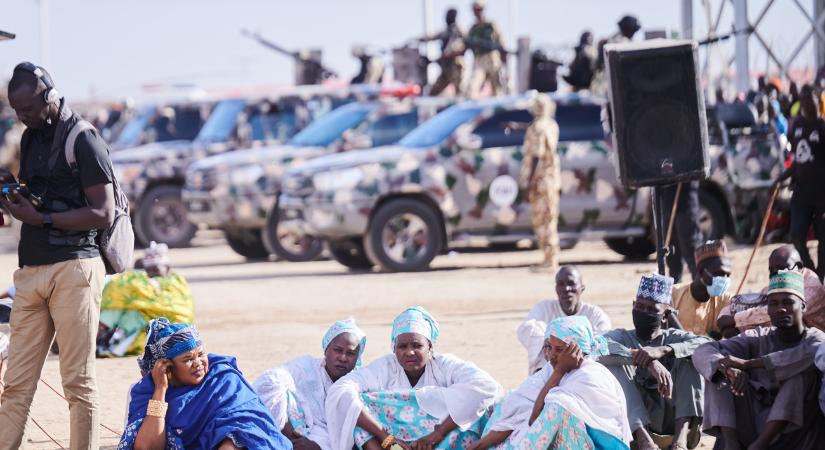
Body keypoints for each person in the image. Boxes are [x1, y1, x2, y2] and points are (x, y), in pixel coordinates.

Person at [0, 62, 115, 450]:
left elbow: (103, 212)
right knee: (15, 384)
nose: (23, 116)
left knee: (78, 383)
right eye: (17, 110)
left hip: (74, 267)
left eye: (29, 108)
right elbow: (40, 194)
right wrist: (12, 195)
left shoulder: (84, 138)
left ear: (49, 96)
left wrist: (42, 218)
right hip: (31, 270)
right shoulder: (30, 137)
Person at [325, 306, 502, 450]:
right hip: (393, 444)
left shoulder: (444, 365)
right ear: (394, 349)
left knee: (480, 410)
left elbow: (486, 386)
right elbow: (342, 389)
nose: (409, 352)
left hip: (436, 441)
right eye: (402, 346)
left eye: (417, 345)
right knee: (357, 407)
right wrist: (386, 438)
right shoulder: (385, 367)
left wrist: (438, 433)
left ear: (430, 347)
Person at [694, 270, 825, 450]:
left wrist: (747, 364)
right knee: (717, 371)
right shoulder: (758, 336)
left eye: (788, 302)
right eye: (774, 304)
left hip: (796, 430)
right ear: (768, 310)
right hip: (753, 421)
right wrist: (728, 369)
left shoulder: (817, 338)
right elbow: (703, 351)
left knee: (799, 378)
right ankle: (730, 443)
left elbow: (796, 357)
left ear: (803, 306)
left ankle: (760, 445)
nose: (781, 309)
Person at [118, 318, 291, 449]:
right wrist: (161, 390)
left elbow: (248, 424)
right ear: (168, 367)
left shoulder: (223, 378)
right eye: (187, 359)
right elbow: (147, 447)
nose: (198, 363)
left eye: (201, 354)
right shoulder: (148, 391)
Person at [471, 316, 631, 450]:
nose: (551, 355)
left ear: (577, 351)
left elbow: (536, 419)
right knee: (506, 402)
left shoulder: (589, 376)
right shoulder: (550, 369)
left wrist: (558, 372)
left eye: (559, 350)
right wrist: (480, 445)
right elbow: (519, 404)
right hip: (556, 440)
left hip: (594, 445)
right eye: (550, 347)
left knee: (557, 407)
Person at [600, 273, 710, 450]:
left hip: (672, 424)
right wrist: (646, 361)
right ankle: (645, 441)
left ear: (665, 315)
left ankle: (680, 442)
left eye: (652, 309)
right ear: (633, 306)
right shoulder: (622, 337)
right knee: (616, 366)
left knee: (688, 357)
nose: (644, 312)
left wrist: (664, 350)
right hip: (633, 433)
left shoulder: (672, 337)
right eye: (640, 306)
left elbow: (707, 345)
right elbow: (595, 346)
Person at [253, 319, 367, 449]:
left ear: (357, 358)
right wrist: (290, 434)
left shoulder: (357, 384)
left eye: (350, 353)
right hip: (293, 431)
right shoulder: (306, 367)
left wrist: (318, 446)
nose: (342, 358)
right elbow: (270, 379)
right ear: (326, 350)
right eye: (337, 350)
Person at [97, 241, 194, 357]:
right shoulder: (143, 282)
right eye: (149, 270)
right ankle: (100, 338)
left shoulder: (176, 283)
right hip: (151, 326)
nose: (151, 273)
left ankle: (97, 338)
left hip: (167, 332)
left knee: (127, 313)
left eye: (155, 269)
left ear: (167, 268)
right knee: (123, 309)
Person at [517, 265, 611, 374]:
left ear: (582, 288)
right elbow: (525, 329)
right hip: (547, 370)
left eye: (571, 283)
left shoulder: (594, 314)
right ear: (556, 288)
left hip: (583, 371)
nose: (566, 289)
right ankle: (541, 375)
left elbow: (604, 338)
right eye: (561, 284)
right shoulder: (544, 308)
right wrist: (550, 342)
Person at [775, 85, 825, 281]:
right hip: (801, 193)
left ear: (817, 101)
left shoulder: (822, 127)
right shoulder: (797, 126)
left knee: (823, 240)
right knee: (796, 235)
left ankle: (821, 277)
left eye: (810, 99)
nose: (806, 103)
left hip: (822, 196)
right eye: (803, 100)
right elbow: (798, 161)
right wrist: (780, 179)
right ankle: (811, 271)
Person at [717, 245, 825, 335]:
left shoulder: (812, 286)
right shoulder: (782, 279)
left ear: (799, 267)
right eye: (772, 270)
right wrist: (728, 312)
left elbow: (770, 312)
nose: (776, 273)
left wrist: (735, 319)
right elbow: (757, 298)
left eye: (780, 268)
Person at [521, 94, 561, 272]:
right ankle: (550, 258)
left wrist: (529, 182)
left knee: (543, 221)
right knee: (549, 218)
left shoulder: (537, 127)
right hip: (551, 179)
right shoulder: (551, 124)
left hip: (541, 181)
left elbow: (537, 156)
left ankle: (550, 261)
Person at [671, 240, 733, 338]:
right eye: (719, 274)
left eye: (727, 275)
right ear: (700, 272)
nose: (724, 279)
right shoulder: (673, 295)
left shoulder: (726, 301)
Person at [659, 181, 702, 284]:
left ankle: (700, 287)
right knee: (672, 250)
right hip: (667, 199)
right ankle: (676, 288)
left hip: (686, 199)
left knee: (690, 246)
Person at [419, 7, 466, 96]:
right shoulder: (446, 31)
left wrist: (445, 55)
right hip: (446, 68)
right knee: (432, 93)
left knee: (460, 93)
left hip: (456, 66)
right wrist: (418, 39)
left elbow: (458, 47)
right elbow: (432, 37)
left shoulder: (458, 31)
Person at [465, 0, 505, 98]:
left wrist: (504, 60)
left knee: (498, 89)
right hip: (479, 60)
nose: (478, 12)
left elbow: (501, 43)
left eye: (480, 9)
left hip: (492, 59)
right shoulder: (472, 29)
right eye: (476, 10)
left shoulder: (491, 25)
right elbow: (465, 45)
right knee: (472, 87)